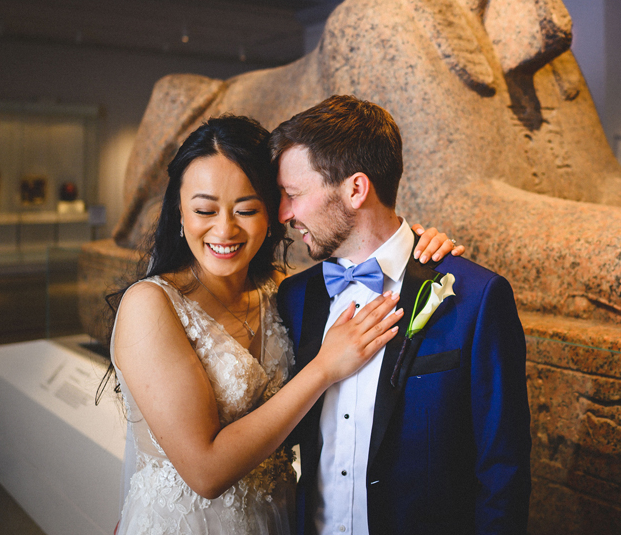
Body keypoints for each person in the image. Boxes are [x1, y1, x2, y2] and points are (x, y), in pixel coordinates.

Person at [104, 114, 461, 535]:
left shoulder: (286, 292)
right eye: (204, 209)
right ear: (179, 213)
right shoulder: (151, 304)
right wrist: (324, 368)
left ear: (274, 213)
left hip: (281, 519)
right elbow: (206, 473)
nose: (224, 229)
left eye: (246, 209)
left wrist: (411, 247)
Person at [272, 95, 531, 535]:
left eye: (293, 195)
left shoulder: (474, 297)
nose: (285, 214)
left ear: (356, 189)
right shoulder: (294, 299)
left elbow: (502, 469)